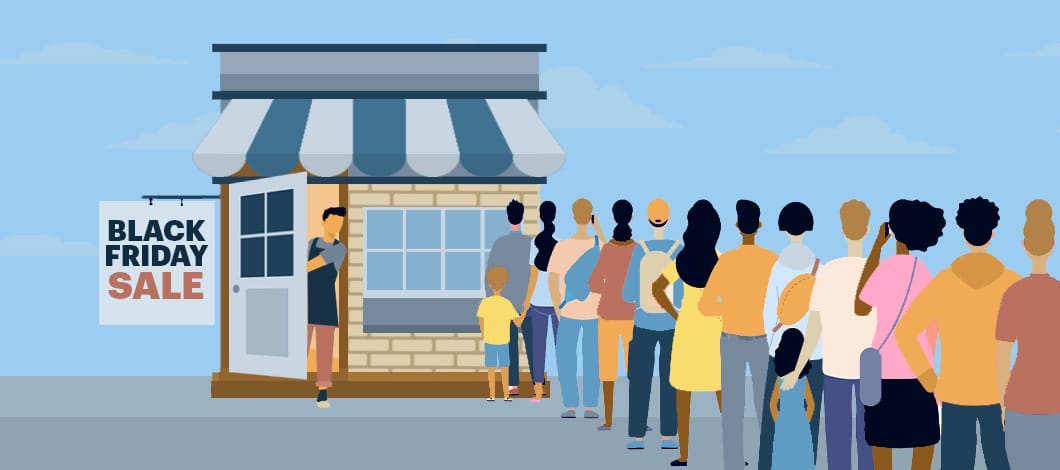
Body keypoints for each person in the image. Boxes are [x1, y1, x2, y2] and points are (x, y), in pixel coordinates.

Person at [897, 196, 1018, 470]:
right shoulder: (1011, 284)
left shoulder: (944, 283)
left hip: (953, 393)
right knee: (1000, 463)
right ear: (992, 234)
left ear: (963, 234)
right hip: (1000, 397)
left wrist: (929, 379)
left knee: (955, 464)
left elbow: (905, 332)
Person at [780, 199, 876, 470]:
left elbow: (814, 328)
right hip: (870, 367)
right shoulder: (876, 271)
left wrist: (796, 369)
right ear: (867, 229)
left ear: (843, 230)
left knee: (837, 438)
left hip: (835, 367)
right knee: (868, 438)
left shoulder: (829, 272)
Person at [855, 199, 946, 470]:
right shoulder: (925, 273)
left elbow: (860, 307)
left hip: (883, 376)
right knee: (923, 451)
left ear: (892, 230)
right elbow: (931, 330)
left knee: (882, 454)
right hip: (918, 375)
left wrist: (876, 247)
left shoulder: (886, 269)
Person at [700, 199, 778, 470]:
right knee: (766, 407)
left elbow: (705, 305)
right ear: (759, 226)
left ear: (737, 226)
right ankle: (766, 461)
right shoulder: (772, 260)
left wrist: (728, 306)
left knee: (732, 409)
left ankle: (732, 464)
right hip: (763, 341)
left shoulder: (727, 261)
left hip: (731, 338)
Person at [653, 199, 724, 466]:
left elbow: (656, 288)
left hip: (688, 326)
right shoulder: (720, 258)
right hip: (715, 327)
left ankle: (684, 455)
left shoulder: (682, 258)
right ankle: (733, 450)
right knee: (722, 393)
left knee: (683, 395)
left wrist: (675, 313)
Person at [996, 199, 1060, 469]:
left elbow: (1001, 360)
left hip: (1020, 402)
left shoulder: (1013, 295)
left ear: (1024, 245)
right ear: (1053, 245)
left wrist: (1000, 407)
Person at [759, 202, 822, 469]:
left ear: (784, 228)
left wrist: (774, 345)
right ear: (808, 227)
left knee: (774, 415)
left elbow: (767, 313)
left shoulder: (777, 267)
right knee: (811, 414)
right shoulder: (820, 265)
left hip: (781, 351)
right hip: (812, 351)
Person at [624, 198, 683, 450]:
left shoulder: (639, 250)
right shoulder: (678, 249)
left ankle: (637, 436)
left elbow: (628, 292)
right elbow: (681, 291)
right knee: (670, 380)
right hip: (672, 323)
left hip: (643, 322)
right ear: (667, 219)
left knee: (639, 380)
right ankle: (668, 436)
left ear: (648, 220)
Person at [549, 198, 607, 418]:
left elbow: (553, 280)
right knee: (592, 357)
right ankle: (591, 405)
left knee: (566, 357)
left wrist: (557, 308)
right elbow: (610, 257)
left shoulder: (562, 246)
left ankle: (571, 405)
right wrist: (599, 230)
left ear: (573, 216)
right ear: (590, 216)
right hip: (595, 311)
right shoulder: (599, 245)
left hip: (568, 311)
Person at [590, 200, 638, 431]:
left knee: (608, 370)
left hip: (607, 314)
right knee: (635, 370)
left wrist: (608, 288)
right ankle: (636, 420)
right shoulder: (637, 249)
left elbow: (593, 283)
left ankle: (609, 420)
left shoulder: (608, 249)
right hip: (631, 315)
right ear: (631, 217)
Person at [485, 200, 533, 397]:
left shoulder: (499, 244)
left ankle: (513, 384)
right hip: (527, 301)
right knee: (533, 343)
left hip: (506, 301)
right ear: (522, 217)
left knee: (510, 343)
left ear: (508, 217)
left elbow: (490, 273)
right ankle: (537, 382)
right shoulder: (530, 243)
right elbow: (535, 272)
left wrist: (492, 300)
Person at [306, 206, 347, 409]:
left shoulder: (340, 248)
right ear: (324, 222)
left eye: (340, 222)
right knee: (299, 346)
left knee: (324, 351)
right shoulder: (311, 243)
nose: (336, 225)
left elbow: (312, 265)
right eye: (333, 221)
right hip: (305, 302)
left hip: (326, 303)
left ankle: (323, 390)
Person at [522, 201, 560, 403]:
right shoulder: (559, 245)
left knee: (538, 349)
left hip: (537, 303)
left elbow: (532, 277)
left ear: (540, 216)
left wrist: (525, 304)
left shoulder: (534, 244)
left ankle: (537, 392)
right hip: (556, 304)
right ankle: (566, 391)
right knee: (561, 348)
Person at [478, 266, 528, 402]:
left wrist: (484, 336)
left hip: (489, 341)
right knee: (505, 369)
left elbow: (481, 322)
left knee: (491, 369)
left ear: (489, 284)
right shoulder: (507, 303)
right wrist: (524, 311)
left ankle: (492, 394)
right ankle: (506, 394)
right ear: (504, 284)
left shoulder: (485, 303)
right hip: (503, 341)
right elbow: (517, 323)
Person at [770, 329, 816, 470]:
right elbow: (811, 405)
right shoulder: (803, 380)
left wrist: (779, 420)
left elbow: (772, 404)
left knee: (783, 458)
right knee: (802, 458)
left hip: (784, 422)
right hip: (800, 422)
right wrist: (804, 420)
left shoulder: (780, 380)